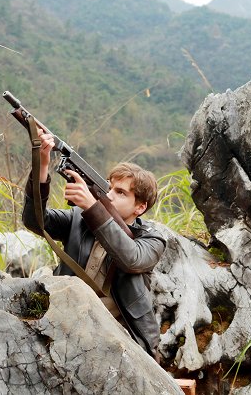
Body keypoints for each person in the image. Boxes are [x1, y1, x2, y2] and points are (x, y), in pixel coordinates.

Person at [22, 129, 166, 359]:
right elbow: (34, 221)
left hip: (122, 339)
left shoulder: (151, 239)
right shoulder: (79, 219)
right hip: (66, 323)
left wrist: (92, 207)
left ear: (140, 207)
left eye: (120, 192)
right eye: (108, 188)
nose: (108, 196)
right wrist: (42, 165)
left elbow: (131, 259)